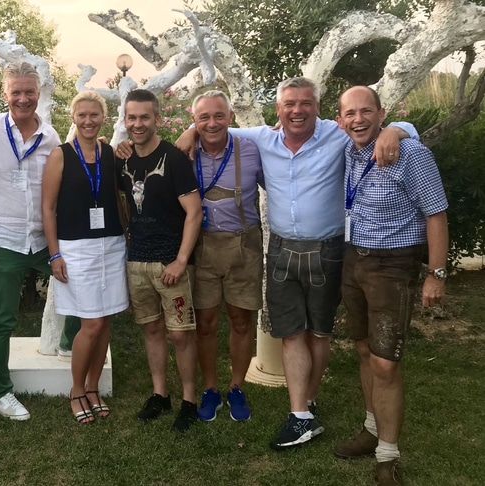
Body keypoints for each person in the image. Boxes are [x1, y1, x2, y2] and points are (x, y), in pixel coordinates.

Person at [172, 77, 417, 449]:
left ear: (318, 107)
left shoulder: (337, 134)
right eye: (290, 104)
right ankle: (297, 412)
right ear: (278, 109)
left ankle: (308, 402)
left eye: (305, 103)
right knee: (290, 331)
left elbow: (402, 128)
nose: (297, 110)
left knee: (318, 331)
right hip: (281, 249)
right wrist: (189, 131)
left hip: (327, 248)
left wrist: (395, 130)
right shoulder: (263, 138)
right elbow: (214, 126)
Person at [333, 86, 448, 486]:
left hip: (392, 266)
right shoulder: (348, 149)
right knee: (365, 350)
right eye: (350, 113)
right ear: (340, 120)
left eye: (366, 111)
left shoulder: (410, 153)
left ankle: (388, 456)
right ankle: (371, 429)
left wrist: (436, 274)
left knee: (385, 362)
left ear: (382, 114)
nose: (358, 119)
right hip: (354, 260)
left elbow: (436, 214)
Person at [0, 61, 80, 420]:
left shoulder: (49, 136)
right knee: (2, 319)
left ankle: (67, 345)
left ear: (38, 92)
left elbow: (63, 181)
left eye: (29, 91)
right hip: (1, 239)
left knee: (79, 288)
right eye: (16, 92)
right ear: (5, 94)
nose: (23, 98)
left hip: (43, 238)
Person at [117, 89, 203, 433]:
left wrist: (181, 260)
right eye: (132, 117)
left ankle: (189, 401)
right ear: (125, 120)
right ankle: (159, 395)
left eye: (144, 117)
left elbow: (194, 212)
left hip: (171, 263)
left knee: (180, 335)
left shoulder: (174, 158)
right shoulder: (122, 160)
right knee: (151, 329)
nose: (138, 124)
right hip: (137, 261)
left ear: (157, 119)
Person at [41, 91, 128, 424]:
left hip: (111, 246)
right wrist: (54, 254)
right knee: (90, 323)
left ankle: (93, 387)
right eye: (82, 115)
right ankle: (76, 389)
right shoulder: (60, 155)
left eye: (94, 115)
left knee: (104, 322)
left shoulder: (111, 154)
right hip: (76, 249)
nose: (88, 121)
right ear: (73, 118)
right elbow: (48, 208)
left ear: (103, 118)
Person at [186, 90, 264, 422]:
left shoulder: (251, 149)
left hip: (243, 245)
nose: (212, 123)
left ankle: (236, 387)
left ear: (230, 117)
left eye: (219, 115)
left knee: (241, 320)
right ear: (194, 121)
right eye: (204, 117)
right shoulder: (185, 153)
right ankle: (210, 389)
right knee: (204, 323)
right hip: (201, 245)